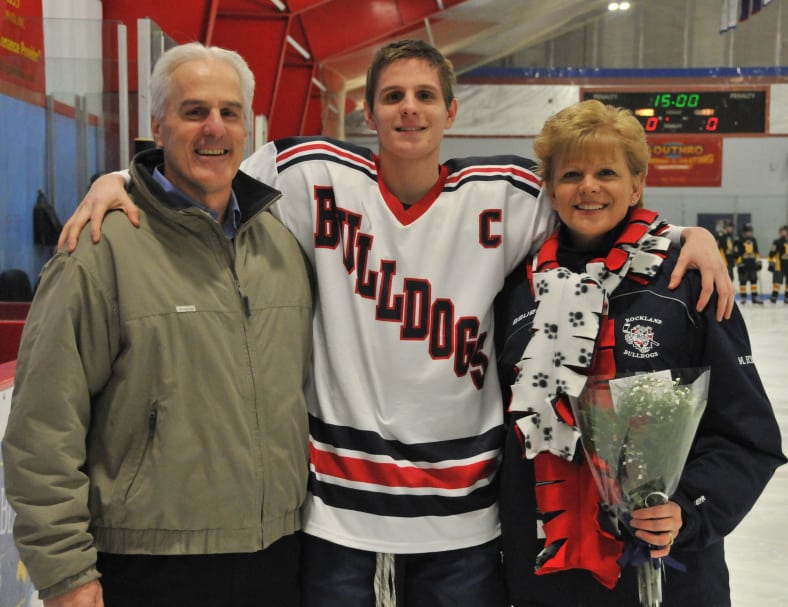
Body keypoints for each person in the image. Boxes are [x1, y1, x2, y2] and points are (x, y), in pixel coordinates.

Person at [58, 40, 734, 606]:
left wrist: (679, 235)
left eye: (424, 95)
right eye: (392, 96)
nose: (409, 108)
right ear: (367, 109)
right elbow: (206, 166)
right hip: (337, 515)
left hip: (464, 520)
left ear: (449, 110)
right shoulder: (307, 174)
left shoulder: (506, 193)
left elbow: (596, 205)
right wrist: (118, 178)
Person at [2, 43, 313, 607]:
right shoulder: (98, 250)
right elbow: (42, 428)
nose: (214, 127)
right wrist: (66, 572)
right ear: (157, 126)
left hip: (278, 555)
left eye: (229, 111)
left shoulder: (282, 248)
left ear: (248, 126)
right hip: (146, 566)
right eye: (193, 111)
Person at [494, 99, 785, 607]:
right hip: (546, 574)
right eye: (571, 174)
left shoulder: (685, 281)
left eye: (607, 171)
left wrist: (688, 509)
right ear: (550, 188)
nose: (588, 186)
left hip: (667, 571)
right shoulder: (516, 291)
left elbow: (747, 435)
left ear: (636, 184)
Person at [734, 222, 763, 304]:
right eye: (748, 231)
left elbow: (756, 252)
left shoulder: (753, 240)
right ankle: (743, 297)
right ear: (744, 232)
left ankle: (755, 297)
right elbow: (736, 253)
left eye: (750, 231)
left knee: (754, 280)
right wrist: (739, 264)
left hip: (752, 263)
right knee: (743, 281)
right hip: (743, 263)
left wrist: (758, 262)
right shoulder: (739, 240)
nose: (749, 233)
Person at [767, 224, 788, 303]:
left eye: (784, 231)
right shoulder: (777, 242)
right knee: (777, 281)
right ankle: (774, 296)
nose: (783, 233)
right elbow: (772, 253)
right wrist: (771, 263)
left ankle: (787, 297)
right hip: (779, 265)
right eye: (782, 231)